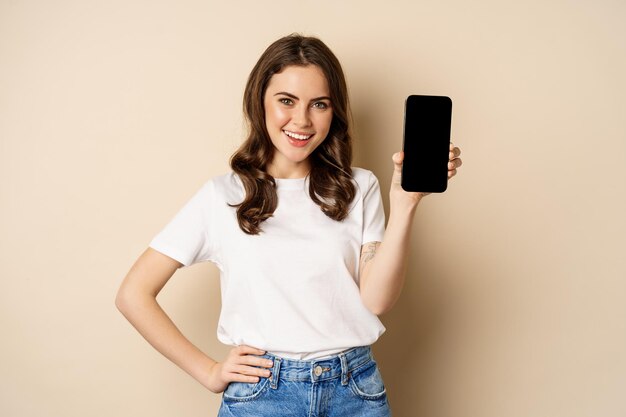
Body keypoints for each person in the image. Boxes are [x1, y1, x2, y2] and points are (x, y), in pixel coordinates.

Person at [116, 34, 462, 417]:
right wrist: (209, 371)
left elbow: (376, 301)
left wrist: (406, 204)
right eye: (286, 101)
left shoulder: (359, 187)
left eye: (319, 104)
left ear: (334, 112)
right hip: (262, 395)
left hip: (355, 391)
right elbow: (133, 294)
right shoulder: (223, 195)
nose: (302, 120)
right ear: (259, 100)